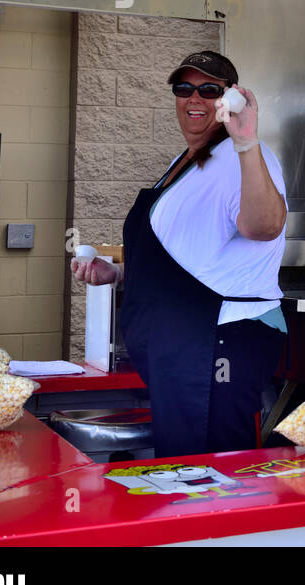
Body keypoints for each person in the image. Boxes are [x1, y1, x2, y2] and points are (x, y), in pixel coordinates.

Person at [71, 51, 288, 457]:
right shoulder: (184, 162)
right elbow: (191, 257)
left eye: (209, 90)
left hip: (217, 342)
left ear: (230, 99)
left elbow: (265, 227)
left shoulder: (245, 158)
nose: (194, 99)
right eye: (184, 88)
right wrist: (116, 275)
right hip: (183, 349)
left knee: (212, 473)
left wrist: (246, 140)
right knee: (184, 469)